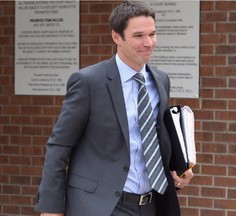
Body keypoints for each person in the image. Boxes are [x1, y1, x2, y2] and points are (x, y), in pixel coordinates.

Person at [35, 1, 194, 216]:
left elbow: (155, 140)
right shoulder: (88, 82)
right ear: (116, 37)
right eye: (138, 36)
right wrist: (50, 209)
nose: (148, 43)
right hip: (102, 206)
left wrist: (179, 172)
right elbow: (59, 146)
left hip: (152, 204)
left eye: (153, 34)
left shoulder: (161, 80)